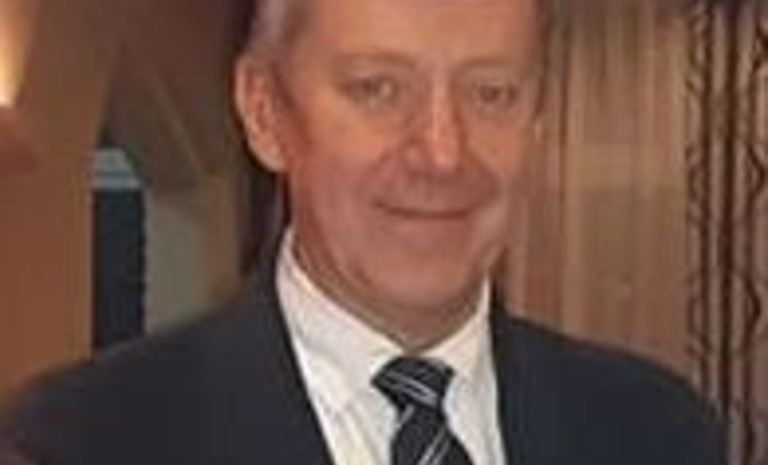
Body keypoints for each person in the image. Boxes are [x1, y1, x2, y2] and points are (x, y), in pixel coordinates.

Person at [1, 0, 724, 464]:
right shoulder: (82, 441)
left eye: (491, 93)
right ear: (264, 113)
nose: (442, 153)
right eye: (377, 88)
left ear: (536, 122)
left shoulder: (657, 431)